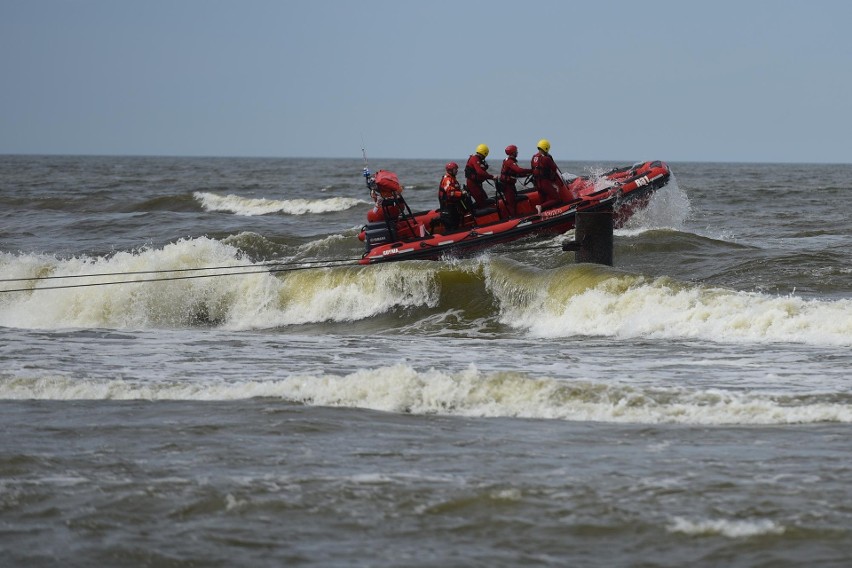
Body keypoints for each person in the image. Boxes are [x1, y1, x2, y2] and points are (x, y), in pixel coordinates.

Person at [499, 145, 533, 216]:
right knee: (511, 203)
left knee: (512, 201)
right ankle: (513, 218)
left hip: (509, 185)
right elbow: (519, 170)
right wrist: (531, 170)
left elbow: (516, 173)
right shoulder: (510, 162)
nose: (517, 152)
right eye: (516, 151)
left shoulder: (509, 161)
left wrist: (527, 174)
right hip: (507, 186)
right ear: (513, 152)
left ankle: (517, 215)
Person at [530, 138, 563, 209]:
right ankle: (540, 207)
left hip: (537, 183)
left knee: (543, 200)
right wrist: (553, 181)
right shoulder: (546, 159)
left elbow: (533, 169)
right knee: (556, 199)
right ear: (546, 148)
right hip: (545, 183)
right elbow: (554, 169)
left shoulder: (533, 157)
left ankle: (542, 213)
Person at [437, 161, 468, 232]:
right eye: (455, 169)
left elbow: (454, 189)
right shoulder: (447, 179)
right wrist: (461, 193)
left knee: (456, 222)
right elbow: (450, 193)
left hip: (453, 206)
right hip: (447, 207)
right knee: (451, 226)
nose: (457, 170)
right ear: (450, 170)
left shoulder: (452, 179)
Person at [464, 144, 496, 208]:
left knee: (485, 198)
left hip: (476, 184)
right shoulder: (475, 159)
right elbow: (480, 172)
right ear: (485, 153)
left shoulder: (478, 159)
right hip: (472, 184)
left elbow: (482, 171)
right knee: (481, 202)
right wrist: (492, 177)